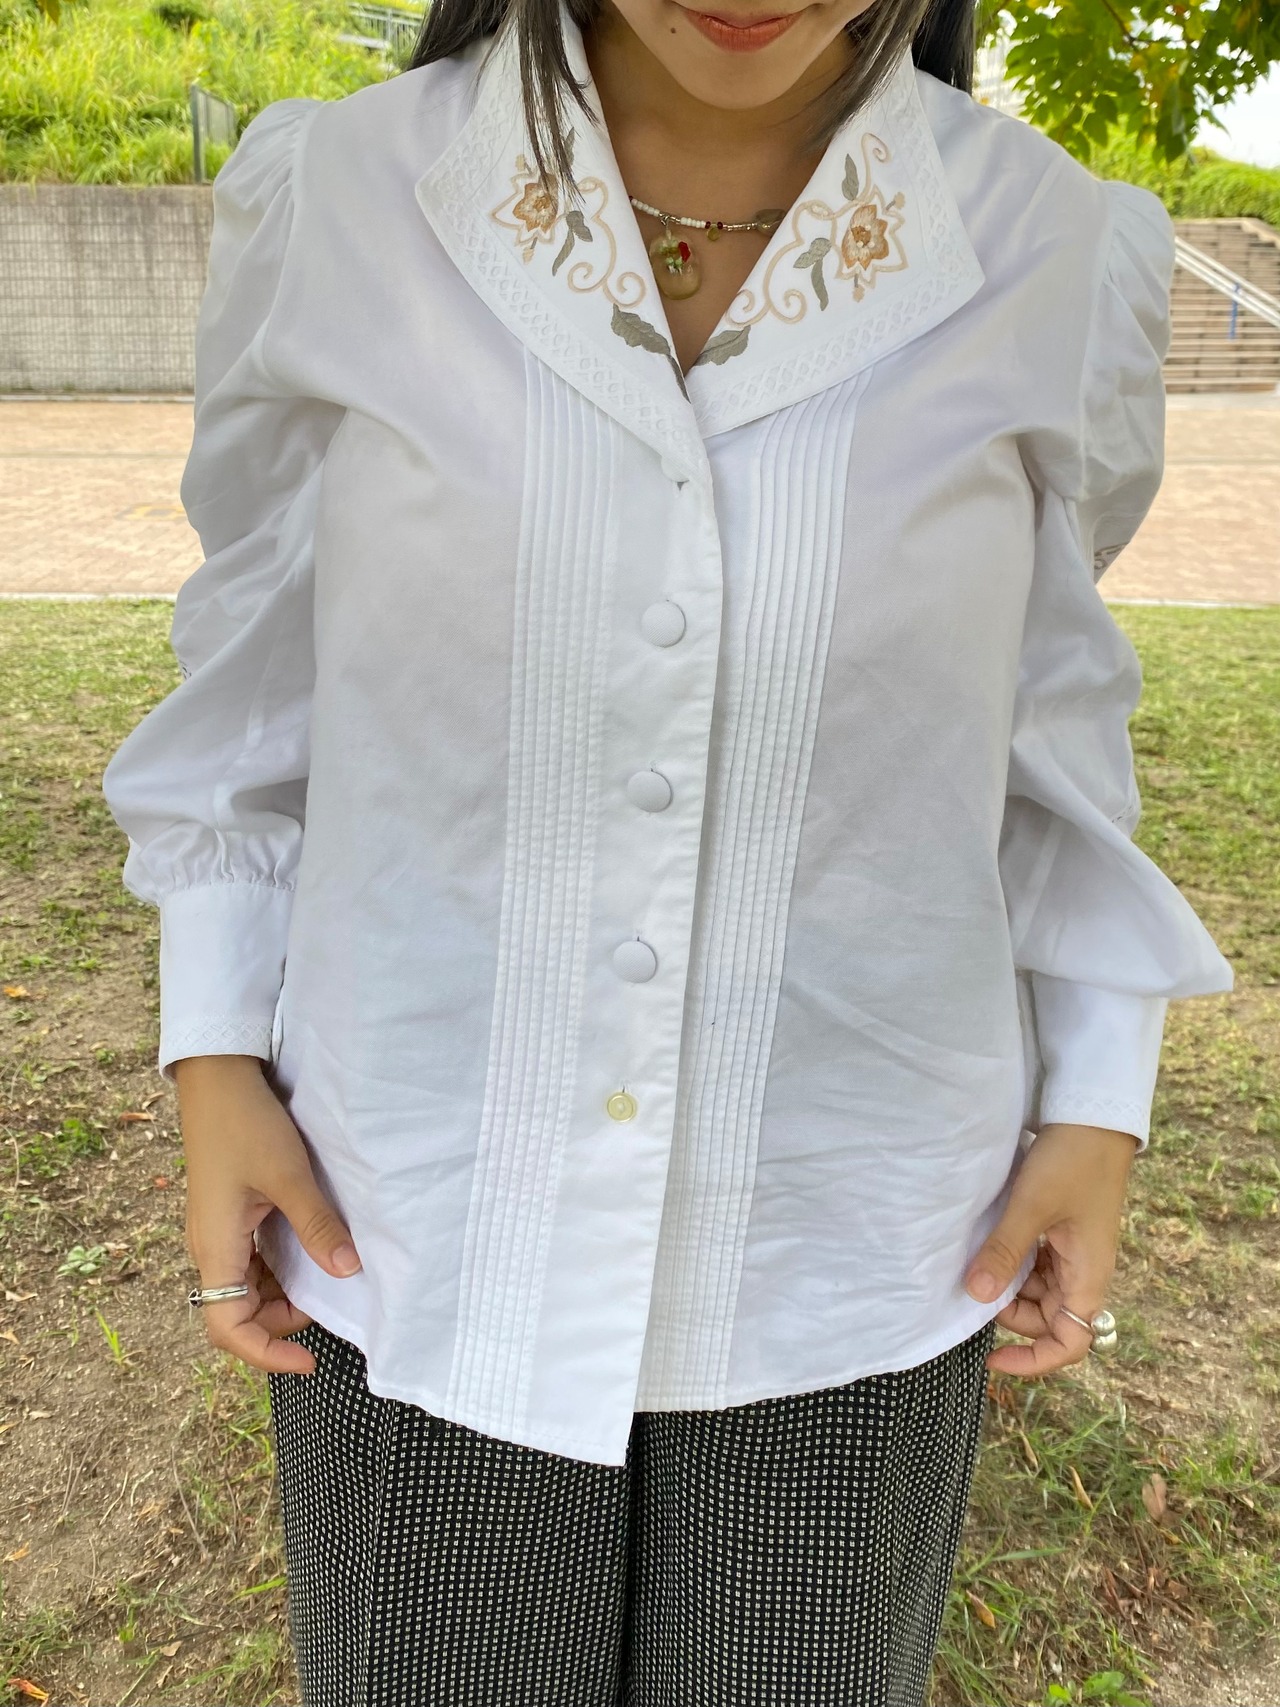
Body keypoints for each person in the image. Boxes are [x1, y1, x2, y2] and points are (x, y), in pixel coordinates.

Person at [100, 0, 1234, 1698]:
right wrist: (214, 1053)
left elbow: (1048, 723)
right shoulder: (341, 194)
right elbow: (256, 680)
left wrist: (1097, 1097)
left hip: (855, 1238)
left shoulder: (1052, 248)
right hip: (416, 1216)